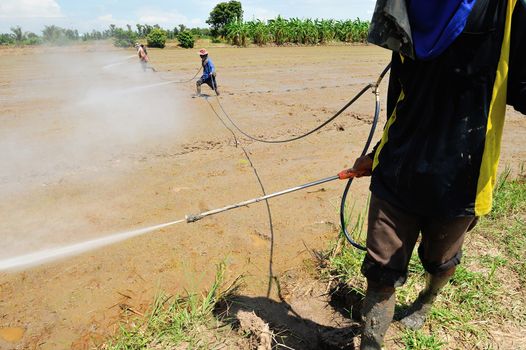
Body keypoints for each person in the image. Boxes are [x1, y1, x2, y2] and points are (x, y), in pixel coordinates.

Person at [340, 0, 526, 348]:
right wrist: (380, 151)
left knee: (440, 262)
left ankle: (426, 300)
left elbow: (522, 86)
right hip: (397, 167)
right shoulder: (404, 6)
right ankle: (370, 343)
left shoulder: (509, 7)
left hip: (462, 174)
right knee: (380, 270)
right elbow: (402, 94)